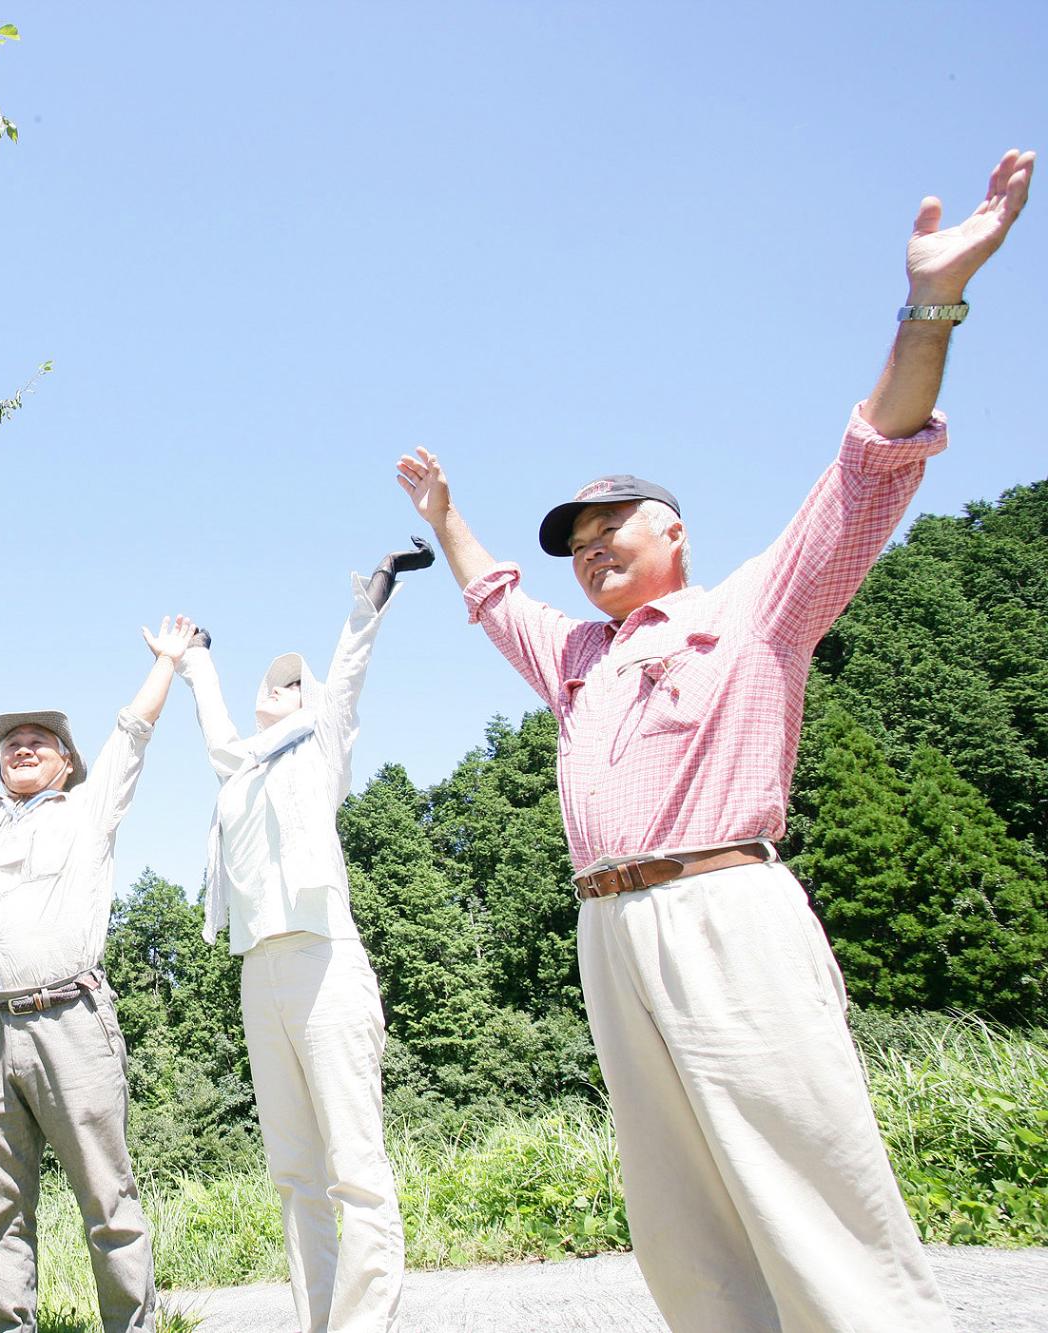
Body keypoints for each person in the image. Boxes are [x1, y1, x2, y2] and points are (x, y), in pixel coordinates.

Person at [394, 148, 1034, 1331]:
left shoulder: (752, 611)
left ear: (671, 531)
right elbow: (493, 601)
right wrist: (447, 521)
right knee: (677, 1213)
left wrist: (929, 306)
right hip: (607, 928)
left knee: (805, 1173)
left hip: (721, 911)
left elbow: (866, 472)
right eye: (571, 542)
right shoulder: (575, 659)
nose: (586, 551)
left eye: (608, 528)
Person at [176, 542, 431, 1333]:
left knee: (354, 1166)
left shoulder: (321, 749)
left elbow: (346, 677)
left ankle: (365, 1323)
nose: (283, 686)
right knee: (294, 1171)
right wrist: (196, 661)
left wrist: (373, 597)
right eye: (274, 680)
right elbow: (216, 729)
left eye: (297, 680)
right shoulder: (238, 769)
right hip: (262, 971)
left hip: (325, 960)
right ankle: (317, 1320)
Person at [0, 615, 197, 1333]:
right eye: (11, 743)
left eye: (38, 741)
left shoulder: (88, 812)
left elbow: (132, 732)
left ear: (67, 763)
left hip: (70, 1022)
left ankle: (130, 1326)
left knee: (105, 1195)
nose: (20, 747)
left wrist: (167, 662)